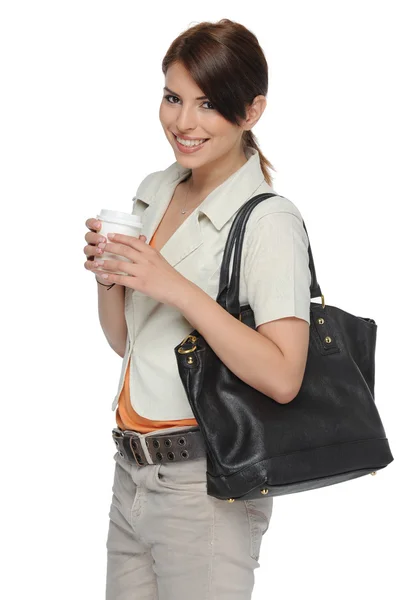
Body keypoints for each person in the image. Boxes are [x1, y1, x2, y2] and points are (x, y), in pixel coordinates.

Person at [84, 18, 311, 600]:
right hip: (132, 470)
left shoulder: (268, 219)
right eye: (173, 97)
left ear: (252, 110)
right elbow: (128, 344)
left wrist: (174, 286)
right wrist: (111, 274)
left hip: (206, 485)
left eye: (208, 104)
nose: (183, 123)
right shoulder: (155, 190)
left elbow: (284, 376)